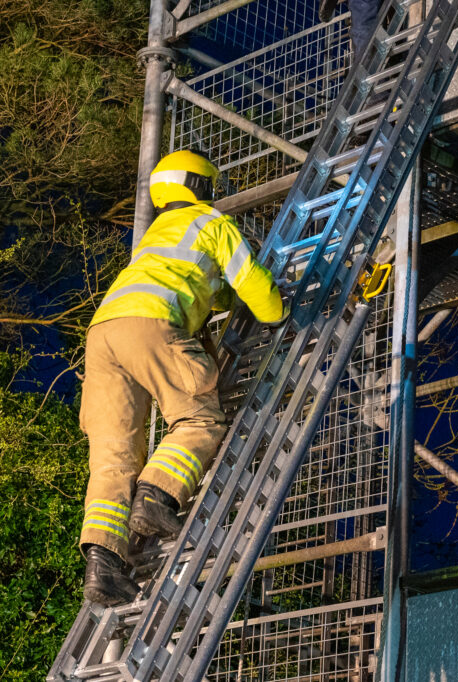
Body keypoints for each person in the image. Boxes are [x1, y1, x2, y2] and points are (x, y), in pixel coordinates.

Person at [78, 149, 287, 606]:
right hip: (150, 324)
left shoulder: (156, 237)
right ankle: (156, 497)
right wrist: (278, 307)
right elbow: (250, 280)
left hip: (102, 334)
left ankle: (104, 565)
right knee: (198, 421)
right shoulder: (210, 223)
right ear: (201, 186)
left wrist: (229, 302)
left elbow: (212, 295)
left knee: (113, 459)